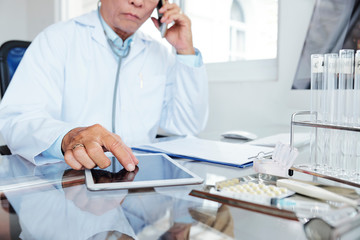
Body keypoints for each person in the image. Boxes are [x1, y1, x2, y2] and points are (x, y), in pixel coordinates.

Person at [0, 0, 208, 171]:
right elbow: (17, 120)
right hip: (68, 183)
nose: (138, 2)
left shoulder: (160, 53)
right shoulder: (56, 39)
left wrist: (184, 50)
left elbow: (187, 125)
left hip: (137, 186)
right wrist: (68, 137)